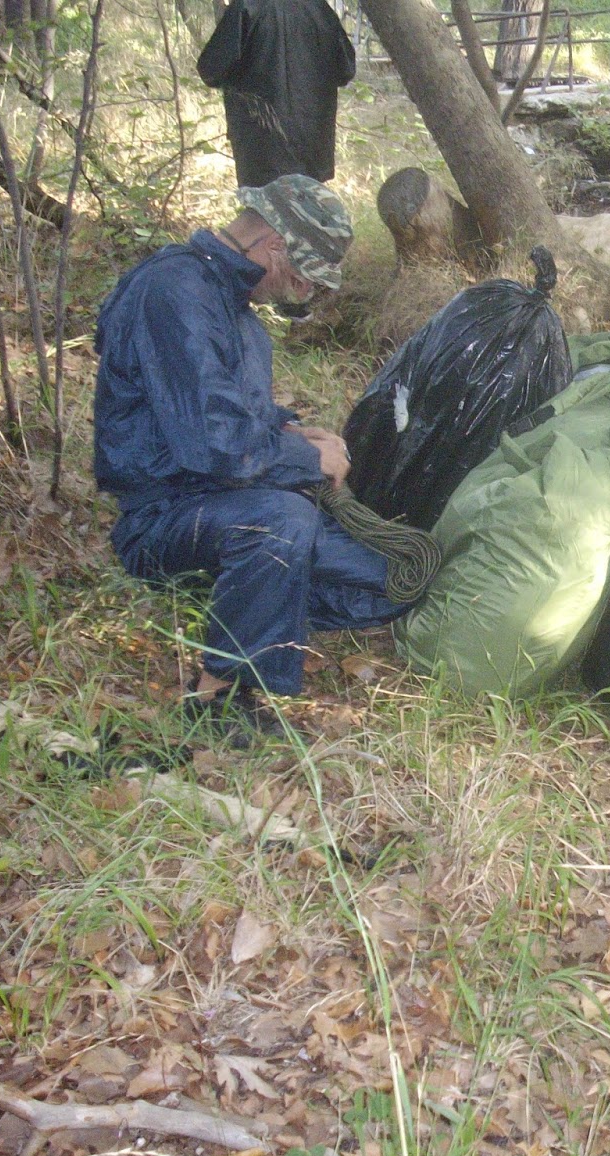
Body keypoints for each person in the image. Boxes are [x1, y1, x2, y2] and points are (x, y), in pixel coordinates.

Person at [93, 175, 408, 741]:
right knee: (281, 521)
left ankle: (250, 600)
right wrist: (305, 461)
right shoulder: (175, 291)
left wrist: (294, 429)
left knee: (386, 581)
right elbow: (213, 444)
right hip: (164, 516)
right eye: (301, 275)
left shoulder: (232, 307)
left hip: (223, 502)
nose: (301, 290)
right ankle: (218, 699)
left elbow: (229, 411)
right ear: (275, 243)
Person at [196, 0, 356, 189]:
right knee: (304, 210)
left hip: (261, 144)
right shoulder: (320, 10)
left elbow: (210, 69)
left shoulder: (246, 7)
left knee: (264, 212)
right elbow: (345, 70)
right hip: (312, 143)